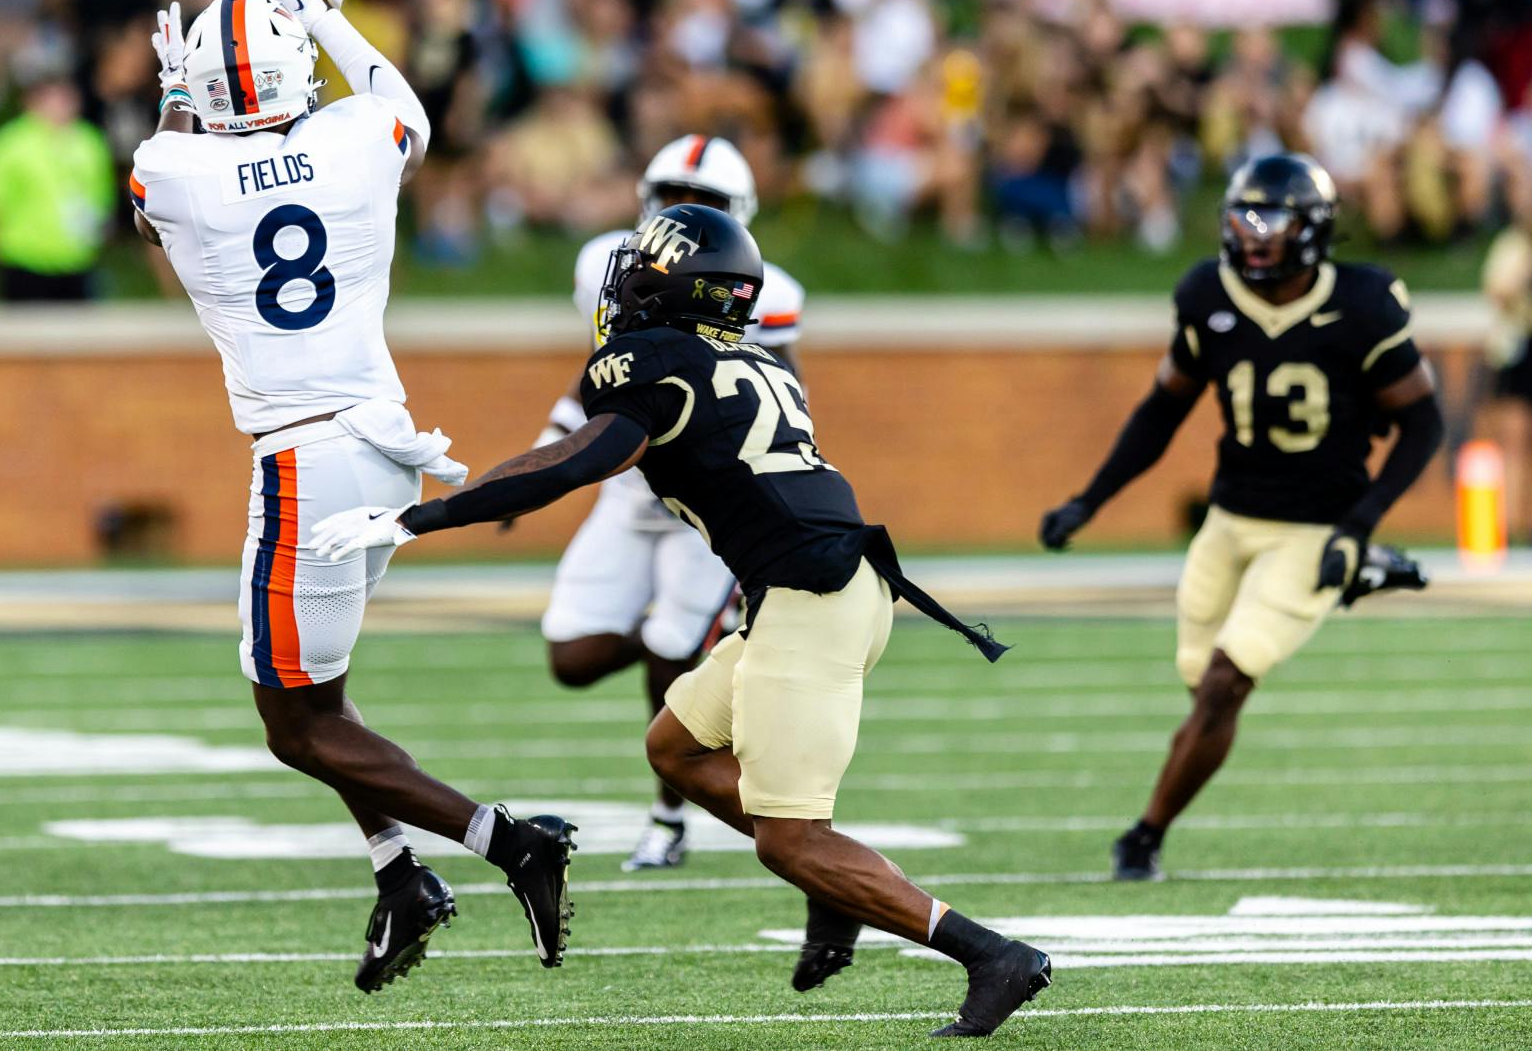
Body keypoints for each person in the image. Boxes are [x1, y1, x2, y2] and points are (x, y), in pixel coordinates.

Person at [311, 203, 1050, 1038]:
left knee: (788, 840)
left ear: (671, 283)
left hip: (813, 601)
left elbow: (574, 462)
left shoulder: (651, 360)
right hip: (827, 589)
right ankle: (833, 889)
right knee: (676, 746)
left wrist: (424, 518)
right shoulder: (763, 361)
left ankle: (993, 955)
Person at [128, 0, 576, 992]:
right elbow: (406, 108)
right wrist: (320, 12)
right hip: (384, 440)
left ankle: (509, 844)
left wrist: (175, 100)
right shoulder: (353, 135)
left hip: (303, 459)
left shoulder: (173, 163)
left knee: (293, 720)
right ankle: (397, 876)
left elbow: (153, 213)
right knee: (313, 706)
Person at [1039, 153, 1442, 882]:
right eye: (1244, 216)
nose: (1254, 234)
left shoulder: (1364, 303)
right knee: (1205, 693)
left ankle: (1143, 836)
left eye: (1273, 219)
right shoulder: (1206, 293)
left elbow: (1424, 422)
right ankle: (1365, 574)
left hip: (1317, 527)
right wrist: (1089, 500)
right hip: (1229, 521)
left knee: (1227, 681)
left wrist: (1359, 524)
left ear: (1313, 228)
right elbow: (1162, 411)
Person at [531, 133, 805, 871]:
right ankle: (674, 637)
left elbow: (781, 394)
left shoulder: (764, 294)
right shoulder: (609, 264)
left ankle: (668, 817)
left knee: (672, 661)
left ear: (737, 215)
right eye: (670, 199)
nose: (682, 218)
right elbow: (603, 374)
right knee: (573, 656)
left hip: (700, 507)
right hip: (626, 494)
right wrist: (549, 444)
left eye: (704, 206)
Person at [0, 60, 112, 303]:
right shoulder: (7, 145)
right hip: (23, 262)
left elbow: (102, 199)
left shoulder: (91, 142)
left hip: (78, 262)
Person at [1482, 210, 1532, 539]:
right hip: (1521, 346)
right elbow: (1497, 292)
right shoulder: (1512, 246)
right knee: (1515, 437)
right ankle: (1512, 524)